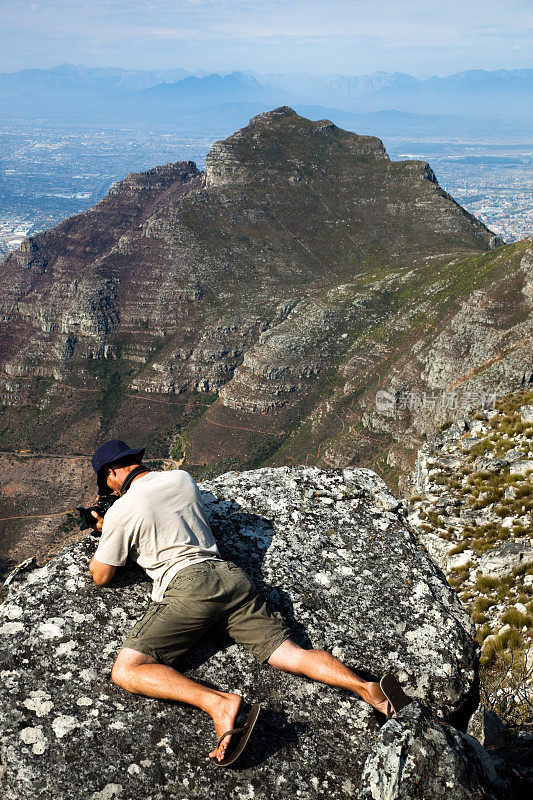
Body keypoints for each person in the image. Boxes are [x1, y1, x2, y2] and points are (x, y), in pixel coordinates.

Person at [88, 439, 407, 765]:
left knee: (126, 670)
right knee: (292, 654)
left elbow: (101, 575)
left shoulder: (121, 512)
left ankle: (218, 704)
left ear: (111, 473)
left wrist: (106, 527)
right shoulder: (182, 479)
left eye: (106, 482)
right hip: (232, 579)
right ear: (134, 460)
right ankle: (366, 687)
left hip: (188, 588)